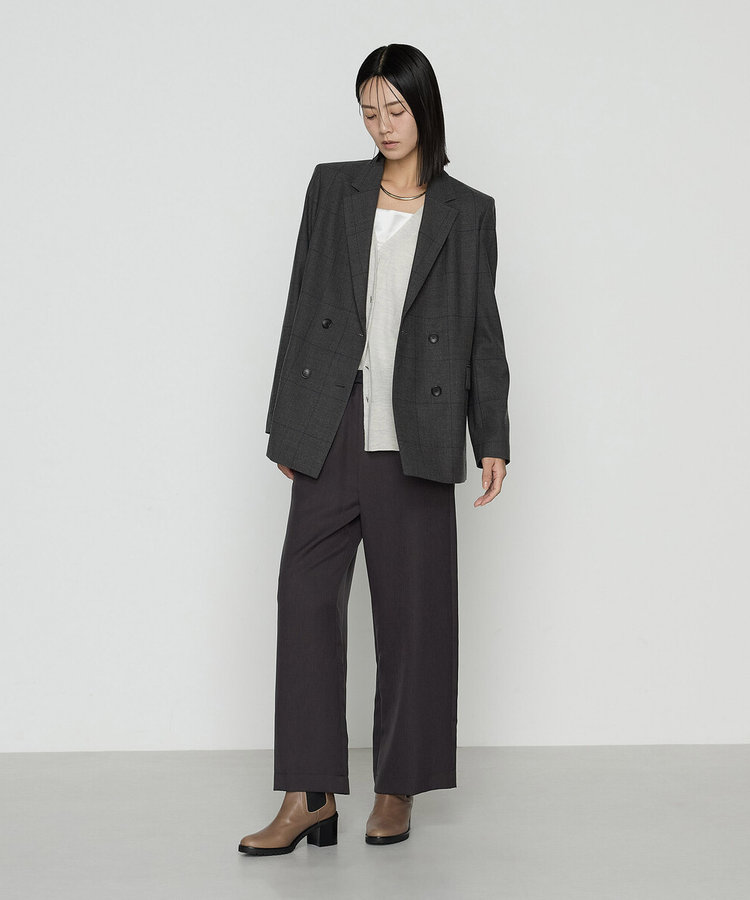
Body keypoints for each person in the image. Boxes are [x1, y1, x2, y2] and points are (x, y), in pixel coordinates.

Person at [238, 43, 511, 856]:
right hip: (333, 423)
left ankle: (399, 787)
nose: (382, 125)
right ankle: (308, 794)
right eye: (368, 110)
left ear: (424, 109)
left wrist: (492, 436)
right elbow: (300, 304)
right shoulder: (334, 188)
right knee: (304, 601)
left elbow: (483, 331)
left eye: (395, 109)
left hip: (417, 430)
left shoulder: (468, 210)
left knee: (413, 616)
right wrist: (288, 421)